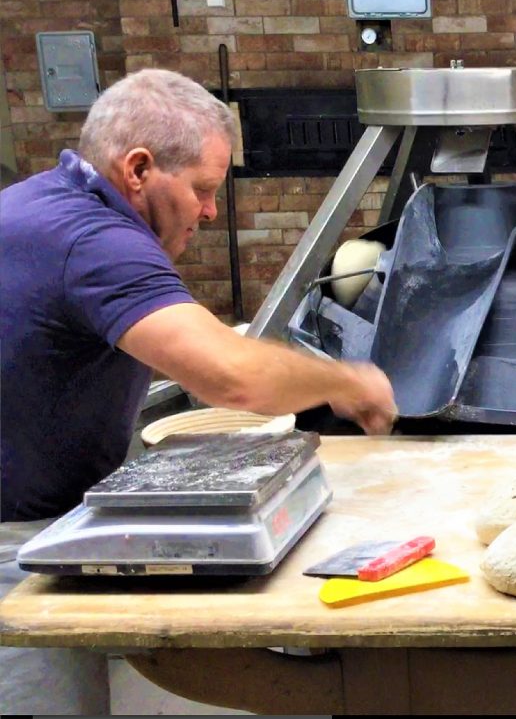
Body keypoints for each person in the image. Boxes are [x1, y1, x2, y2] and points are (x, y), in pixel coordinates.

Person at [0, 68, 398, 714]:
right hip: (12, 541)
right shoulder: (96, 242)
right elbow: (230, 376)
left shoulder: (40, 203)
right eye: (203, 190)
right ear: (137, 170)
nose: (212, 212)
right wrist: (350, 380)